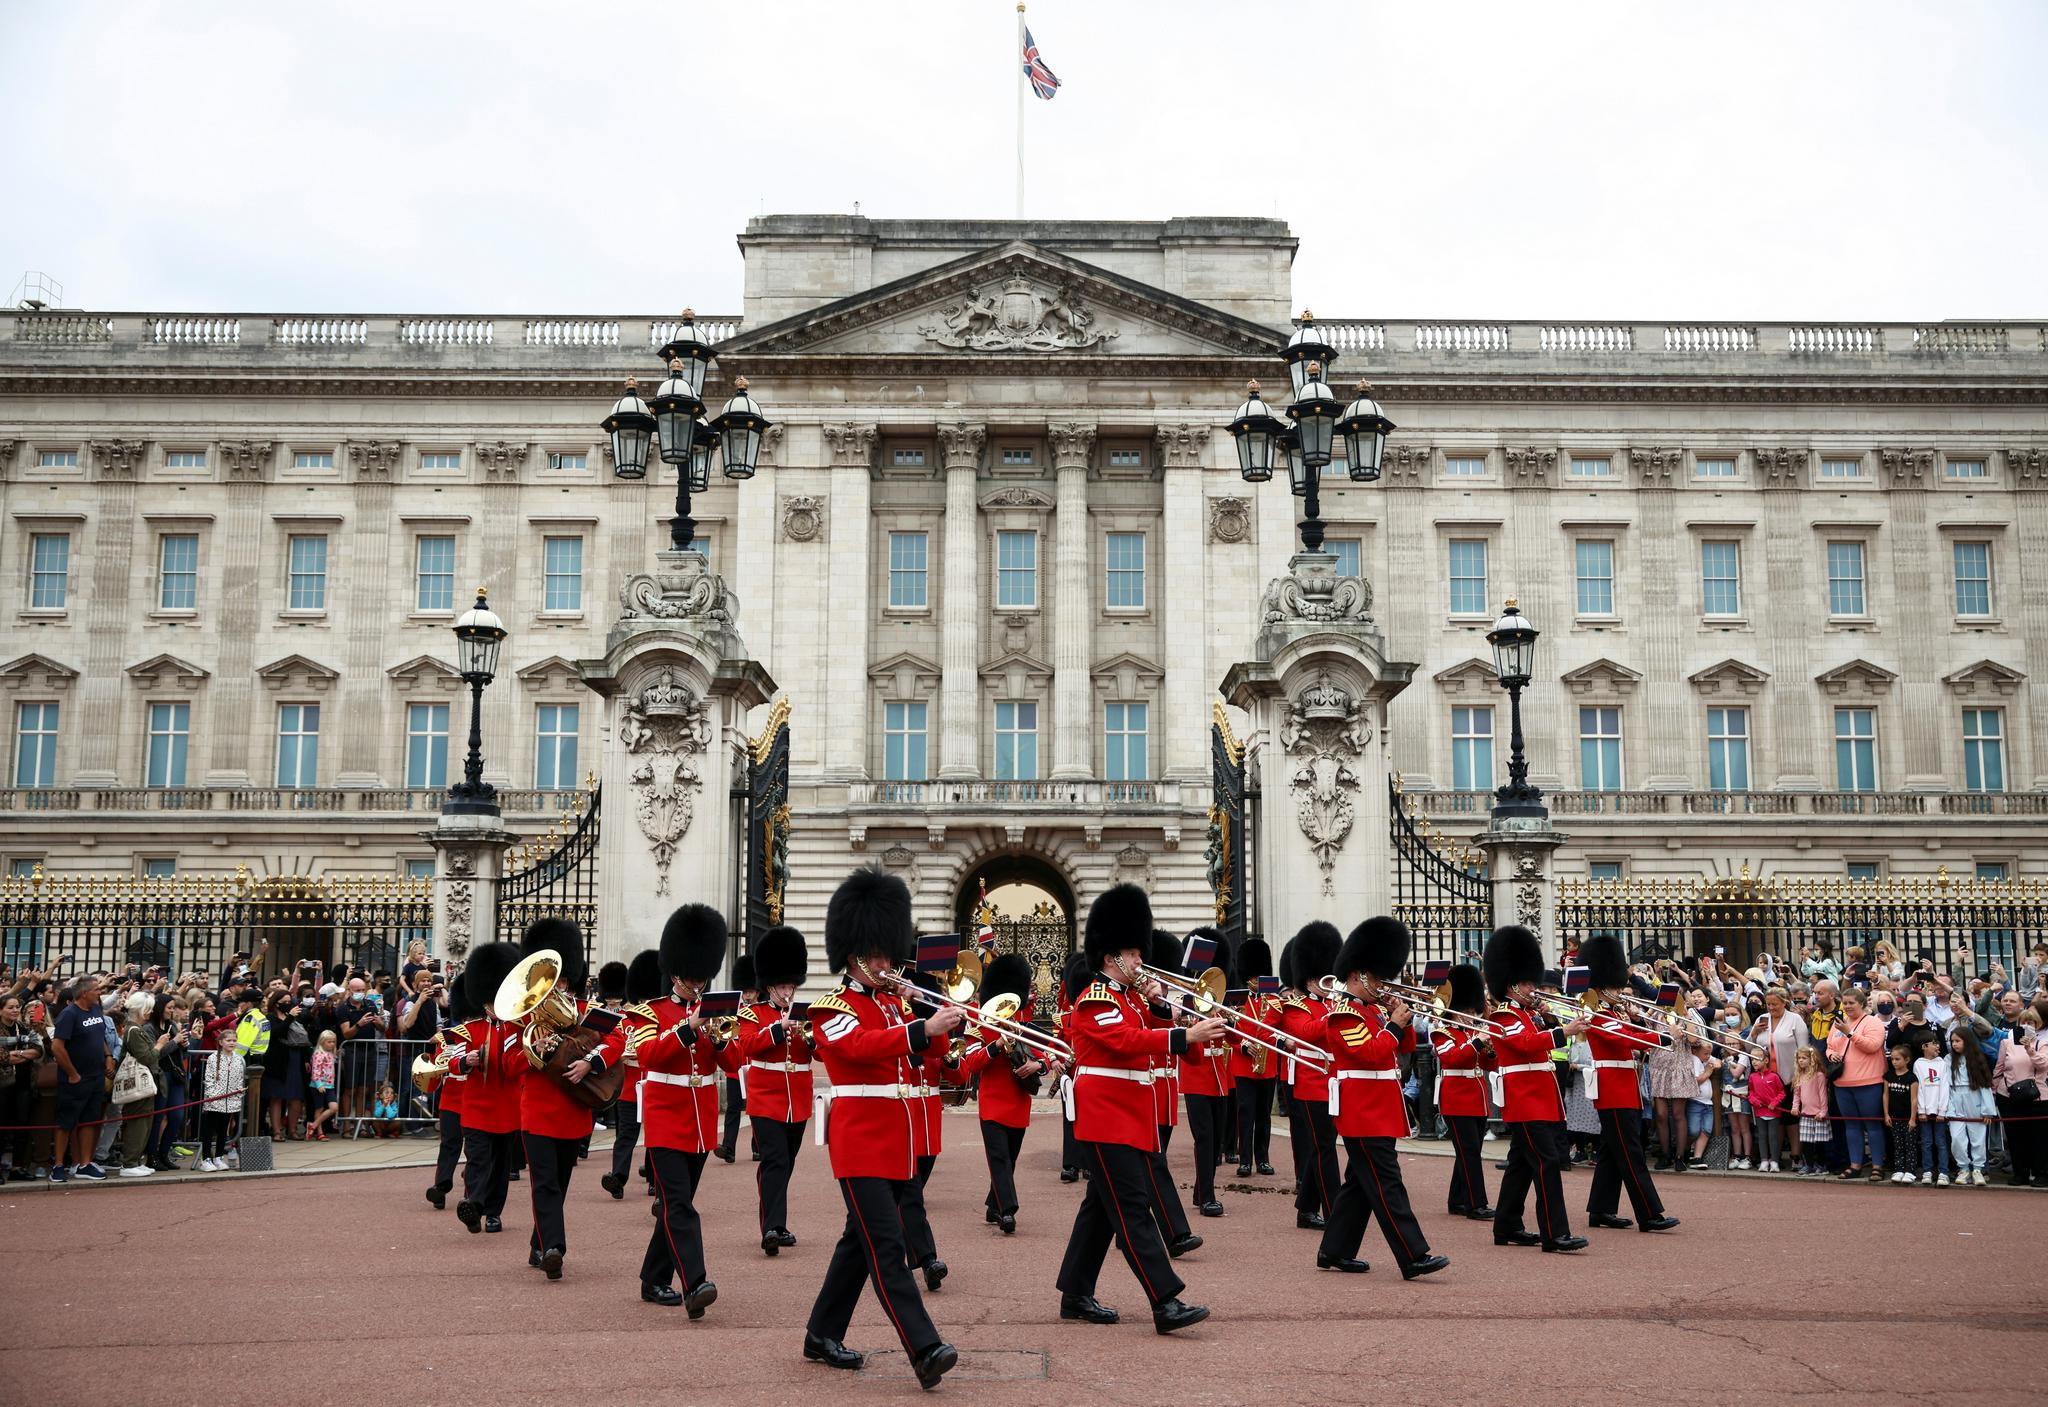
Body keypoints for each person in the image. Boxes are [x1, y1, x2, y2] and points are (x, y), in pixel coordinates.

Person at [803, 868, 962, 1388]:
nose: (886, 965)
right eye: (876, 956)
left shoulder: (896, 1003)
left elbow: (933, 1057)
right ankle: (924, 1347)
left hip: (898, 1143)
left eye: (888, 955)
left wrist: (940, 1018)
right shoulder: (831, 1008)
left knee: (859, 1242)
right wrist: (918, 1028)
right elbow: (857, 1049)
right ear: (852, 956)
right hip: (860, 1143)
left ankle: (820, 1333)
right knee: (887, 1249)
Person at [1053, 883, 1219, 1337]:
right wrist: (1184, 1036)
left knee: (1100, 1211)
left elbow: (1153, 1033)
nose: (1139, 960)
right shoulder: (1095, 999)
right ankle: (1165, 1300)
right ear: (1110, 958)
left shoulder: (1131, 1000)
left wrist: (1172, 1012)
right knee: (1131, 1210)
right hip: (1106, 1118)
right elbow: (1127, 1043)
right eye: (1133, 953)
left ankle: (1075, 1293)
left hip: (1129, 1117)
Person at [1316, 917, 1448, 1281]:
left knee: (1360, 1184)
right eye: (1377, 978)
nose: (1382, 984)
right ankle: (1413, 1254)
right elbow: (1371, 1054)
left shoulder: (1372, 1011)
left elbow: (1401, 1048)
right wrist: (1392, 1024)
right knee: (1387, 1183)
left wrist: (1400, 1019)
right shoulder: (1342, 1015)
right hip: (1362, 1111)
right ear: (1358, 976)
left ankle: (1335, 1249)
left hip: (1378, 1108)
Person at [631, 908, 737, 1318]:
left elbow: (733, 1063)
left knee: (679, 1203)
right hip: (664, 1118)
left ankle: (652, 1277)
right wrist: (687, 1029)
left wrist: (719, 1037)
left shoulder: (715, 1011)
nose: (698, 984)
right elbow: (648, 1055)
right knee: (679, 1205)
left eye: (702, 977)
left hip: (699, 1121)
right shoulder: (647, 1013)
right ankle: (695, 1282)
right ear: (675, 973)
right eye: (692, 977)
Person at [512, 918, 626, 1281]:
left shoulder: (585, 1011)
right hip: (539, 1111)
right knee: (544, 1181)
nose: (557, 985)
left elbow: (618, 1039)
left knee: (559, 1182)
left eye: (562, 978)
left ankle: (538, 1240)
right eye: (552, 978)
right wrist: (535, 1051)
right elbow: (506, 1061)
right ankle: (553, 1248)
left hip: (574, 1109)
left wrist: (589, 1061)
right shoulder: (524, 1015)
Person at [1484, 926, 1588, 1254]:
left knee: (1520, 1164)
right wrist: (1562, 1031)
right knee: (1546, 1163)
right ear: (1513, 984)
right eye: (1529, 983)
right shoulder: (1504, 1014)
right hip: (1525, 1099)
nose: (1534, 989)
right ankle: (1554, 1233)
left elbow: (1542, 1039)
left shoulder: (1528, 1014)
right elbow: (1525, 1045)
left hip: (1539, 1097)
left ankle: (1507, 1224)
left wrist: (1552, 1020)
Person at [1578, 935, 1679, 1232]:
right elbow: (1625, 1039)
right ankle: (1649, 1213)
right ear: (1599, 988)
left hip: (1625, 1086)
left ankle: (1600, 1210)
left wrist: (1640, 1019)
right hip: (1613, 1089)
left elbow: (1631, 1034)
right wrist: (1662, 1036)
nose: (1619, 991)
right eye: (1613, 987)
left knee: (1612, 1151)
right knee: (1631, 1153)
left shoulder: (1615, 1012)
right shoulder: (1596, 1013)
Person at [730, 924, 813, 1255]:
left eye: (791, 985)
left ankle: (778, 1222)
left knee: (786, 1162)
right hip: (766, 1098)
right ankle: (771, 1227)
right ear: (770, 987)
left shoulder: (805, 1014)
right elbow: (747, 1046)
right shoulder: (755, 1014)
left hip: (798, 1099)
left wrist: (812, 1038)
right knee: (775, 1160)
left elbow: (818, 1052)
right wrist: (778, 1029)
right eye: (783, 986)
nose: (788, 991)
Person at [958, 953, 1046, 1236]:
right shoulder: (981, 1022)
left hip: (1019, 1101)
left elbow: (1047, 1054)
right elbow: (971, 1062)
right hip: (993, 1102)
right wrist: (995, 1045)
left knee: (1011, 1157)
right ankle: (1007, 1210)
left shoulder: (1023, 1021)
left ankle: (993, 1205)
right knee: (999, 1159)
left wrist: (1038, 1064)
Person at [449, 942, 525, 1236]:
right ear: (483, 1002)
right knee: (478, 1160)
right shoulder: (471, 1030)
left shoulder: (517, 1029)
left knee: (500, 1166)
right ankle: (474, 1204)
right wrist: (466, 1061)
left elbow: (519, 1063)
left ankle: (493, 1212)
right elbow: (452, 1060)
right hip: (477, 1107)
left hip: (507, 1106)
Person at [1278, 921, 1342, 1232]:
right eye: (1324, 979)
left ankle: (1306, 1209)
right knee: (1325, 1149)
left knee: (1322, 1147)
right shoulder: (1296, 1006)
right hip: (1311, 1082)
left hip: (1334, 1083)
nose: (1331, 983)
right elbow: (1306, 1033)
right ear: (1311, 980)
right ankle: (1334, 1212)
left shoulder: (1334, 1003)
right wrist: (1335, 1012)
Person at [1142, 930, 1199, 1255]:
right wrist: (1166, 1016)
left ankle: (1127, 1231)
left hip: (1163, 1094)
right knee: (1152, 1163)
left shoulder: (1168, 1004)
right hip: (1144, 1091)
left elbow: (1191, 1056)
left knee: (1142, 1168)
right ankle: (1174, 1233)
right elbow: (1140, 1037)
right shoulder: (1139, 1002)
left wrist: (1189, 1027)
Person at [1174, 927, 1233, 1219]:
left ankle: (1201, 1189)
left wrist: (1231, 1022)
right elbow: (1183, 1036)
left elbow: (1234, 1040)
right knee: (1205, 1137)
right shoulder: (1185, 1001)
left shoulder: (1221, 1003)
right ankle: (1207, 1196)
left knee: (1217, 1138)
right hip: (1197, 1075)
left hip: (1219, 1077)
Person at [601, 949, 665, 1201]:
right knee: (626, 1133)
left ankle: (652, 1176)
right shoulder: (625, 1021)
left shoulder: (661, 1019)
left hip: (653, 1084)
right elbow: (614, 1047)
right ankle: (618, 1177)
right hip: (629, 1086)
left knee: (654, 1133)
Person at [1433, 963, 1493, 1219]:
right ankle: (1475, 1203)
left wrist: (1490, 1049)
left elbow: (1489, 1064)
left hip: (1477, 1097)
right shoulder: (1442, 1032)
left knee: (1469, 1151)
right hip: (1456, 1099)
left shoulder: (1472, 1031)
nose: (1471, 1014)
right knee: (1468, 1153)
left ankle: (1456, 1200)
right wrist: (1477, 1040)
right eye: (1467, 1010)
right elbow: (1453, 1059)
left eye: (1473, 1009)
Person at [49, 977, 112, 1182]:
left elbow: (100, 1037)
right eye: (96, 990)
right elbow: (57, 1047)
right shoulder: (69, 1014)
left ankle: (84, 1164)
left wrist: (108, 1056)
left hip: (95, 1076)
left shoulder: (95, 1010)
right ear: (84, 993)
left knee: (89, 1121)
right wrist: (72, 1073)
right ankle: (58, 1166)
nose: (99, 993)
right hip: (75, 1078)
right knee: (66, 1122)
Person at [1826, 989, 1889, 1183]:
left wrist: (1849, 1033)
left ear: (1862, 1003)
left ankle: (1877, 1165)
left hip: (1868, 1081)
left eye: (1851, 1003)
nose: (1847, 1006)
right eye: (1844, 1003)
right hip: (1842, 1082)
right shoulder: (1838, 1024)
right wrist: (1830, 1055)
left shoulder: (1873, 1022)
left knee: (1873, 1125)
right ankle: (1855, 1164)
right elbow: (1830, 1045)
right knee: (1851, 1125)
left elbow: (1872, 1045)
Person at [1231, 937, 1279, 1178]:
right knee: (1245, 1113)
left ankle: (1263, 1159)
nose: (1258, 980)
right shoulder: (1237, 999)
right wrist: (1242, 1044)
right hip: (1243, 1063)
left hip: (1267, 1063)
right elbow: (1227, 1030)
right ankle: (1245, 1160)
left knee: (1263, 1115)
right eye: (1255, 976)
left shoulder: (1273, 998)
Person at [1992, 1010, 2048, 1187]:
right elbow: (1999, 1068)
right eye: (2024, 1022)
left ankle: (2041, 1173)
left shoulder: (2043, 1043)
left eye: (2031, 1022)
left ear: (2038, 1024)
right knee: (2015, 1137)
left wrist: (2029, 1049)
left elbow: (2043, 1064)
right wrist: (1994, 1090)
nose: (2027, 1026)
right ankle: (2020, 1172)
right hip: (2008, 1095)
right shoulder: (2006, 1042)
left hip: (2037, 1097)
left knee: (2039, 1138)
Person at [0, 993, 46, 1179]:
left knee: (22, 1126)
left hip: (24, 1084)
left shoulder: (23, 1027)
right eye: (10, 1007)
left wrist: (16, 1054)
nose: (15, 1010)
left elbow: (38, 1051)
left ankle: (16, 1168)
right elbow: (2, 1058)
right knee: (1, 1127)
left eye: (17, 1007)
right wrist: (24, 1053)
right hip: (2, 1085)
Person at [715, 954, 754, 1164]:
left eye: (750, 992)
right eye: (745, 992)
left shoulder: (760, 1011)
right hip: (735, 1068)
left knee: (756, 1109)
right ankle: (729, 1147)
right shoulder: (733, 1012)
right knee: (732, 1108)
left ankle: (757, 1148)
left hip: (755, 1067)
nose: (747, 996)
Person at [1946, 1025, 1996, 1185]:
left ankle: (1978, 1169)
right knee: (1957, 1139)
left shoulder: (1977, 1058)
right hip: (1955, 1101)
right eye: (1952, 1041)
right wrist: (1947, 1107)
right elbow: (1946, 1086)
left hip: (1975, 1101)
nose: (1954, 1044)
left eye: (1958, 1041)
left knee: (1978, 1139)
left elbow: (1985, 1086)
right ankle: (1964, 1168)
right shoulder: (1948, 1059)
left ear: (1967, 1041)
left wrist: (1987, 1110)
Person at [198, 1030, 246, 1171]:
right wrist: (214, 1096)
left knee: (223, 1130)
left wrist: (237, 1096)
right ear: (221, 1042)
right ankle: (206, 1159)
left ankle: (218, 1157)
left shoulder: (238, 1059)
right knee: (209, 1130)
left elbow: (239, 1080)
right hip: (215, 1101)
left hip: (230, 1102)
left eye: (234, 1040)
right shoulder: (213, 1058)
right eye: (228, 1040)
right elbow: (209, 1080)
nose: (232, 1043)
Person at [1910, 1033, 1950, 1185]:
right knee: (1926, 1142)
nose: (1937, 1046)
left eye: (1937, 1042)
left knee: (1941, 1142)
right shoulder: (1918, 1064)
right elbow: (1918, 1089)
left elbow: (1944, 1087)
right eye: (1933, 1043)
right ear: (1924, 1047)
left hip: (1939, 1111)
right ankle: (1927, 1171)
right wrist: (1921, 1110)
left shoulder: (1942, 1064)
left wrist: (1942, 1110)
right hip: (1924, 1112)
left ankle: (1943, 1172)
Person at [307, 1030, 338, 1140]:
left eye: (333, 1042)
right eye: (329, 1042)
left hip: (329, 1086)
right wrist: (319, 1084)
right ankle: (320, 1132)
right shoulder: (318, 1054)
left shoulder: (331, 1054)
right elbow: (315, 1070)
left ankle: (313, 1125)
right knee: (319, 1109)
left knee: (334, 1108)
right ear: (322, 1042)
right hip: (318, 1086)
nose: (332, 1044)